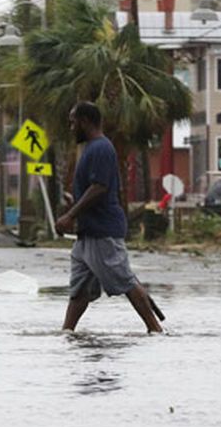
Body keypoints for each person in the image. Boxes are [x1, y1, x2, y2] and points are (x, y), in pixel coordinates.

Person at [56, 101, 163, 333]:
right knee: (80, 289)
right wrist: (73, 204)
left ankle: (155, 330)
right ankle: (66, 333)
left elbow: (100, 187)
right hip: (87, 234)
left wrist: (70, 215)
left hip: (102, 231)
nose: (71, 127)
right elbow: (93, 189)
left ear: (84, 122)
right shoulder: (91, 149)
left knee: (125, 280)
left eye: (73, 122)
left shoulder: (101, 149)